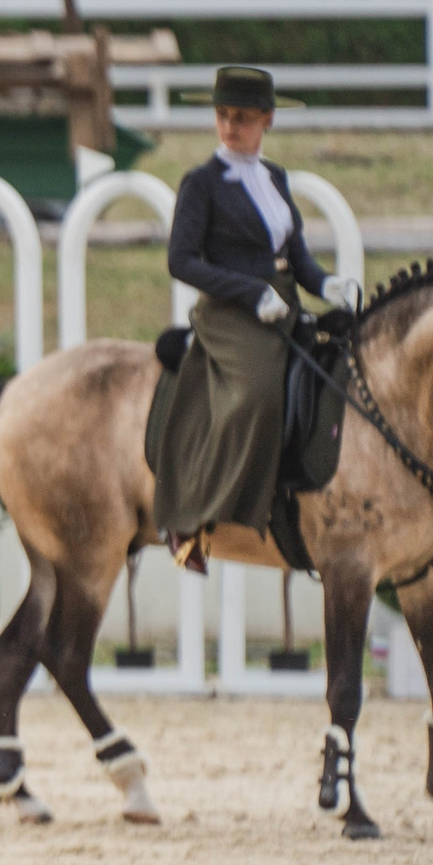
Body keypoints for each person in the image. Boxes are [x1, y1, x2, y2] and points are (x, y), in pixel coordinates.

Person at [149, 65, 362, 561]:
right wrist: (250, 292)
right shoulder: (201, 183)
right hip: (231, 312)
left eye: (242, 118)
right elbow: (181, 260)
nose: (229, 128)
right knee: (258, 393)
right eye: (223, 116)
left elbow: (297, 256)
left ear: (267, 119)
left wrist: (327, 283)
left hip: (283, 304)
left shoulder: (276, 177)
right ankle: (203, 510)